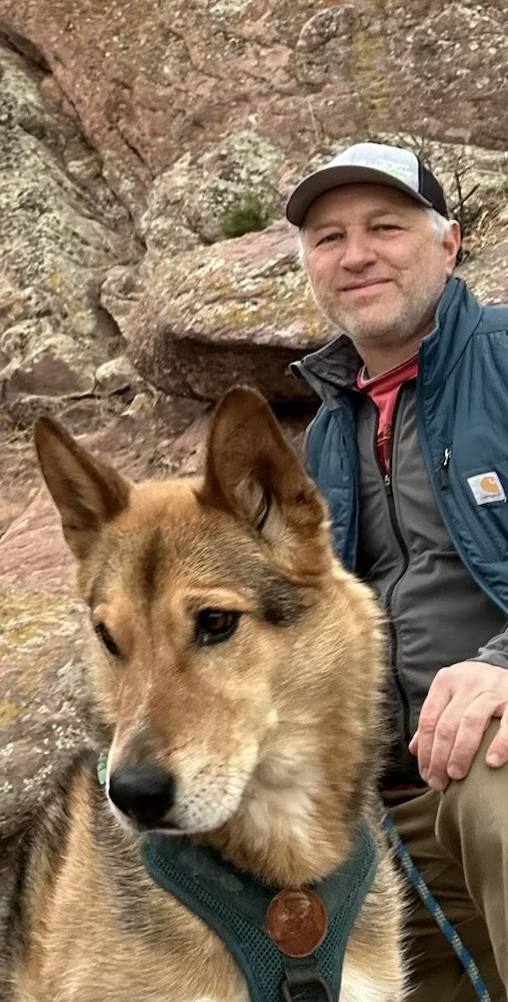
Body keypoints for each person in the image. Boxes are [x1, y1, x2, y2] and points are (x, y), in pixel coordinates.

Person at [288, 141, 508, 1002]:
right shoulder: (324, 434)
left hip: (490, 755)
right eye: (328, 237)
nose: (356, 253)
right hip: (384, 790)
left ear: (449, 244)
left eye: (385, 226)